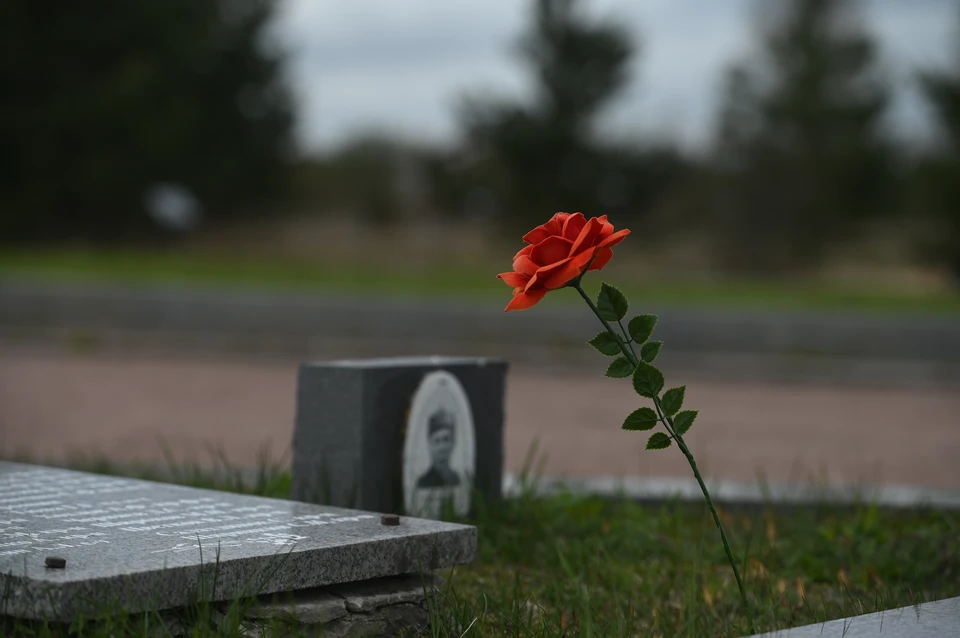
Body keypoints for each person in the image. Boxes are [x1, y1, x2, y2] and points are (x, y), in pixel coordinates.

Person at [415, 409, 461, 489]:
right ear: (430, 444)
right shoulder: (423, 483)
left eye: (446, 439)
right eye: (437, 441)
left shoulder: (457, 479)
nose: (441, 448)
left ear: (453, 442)